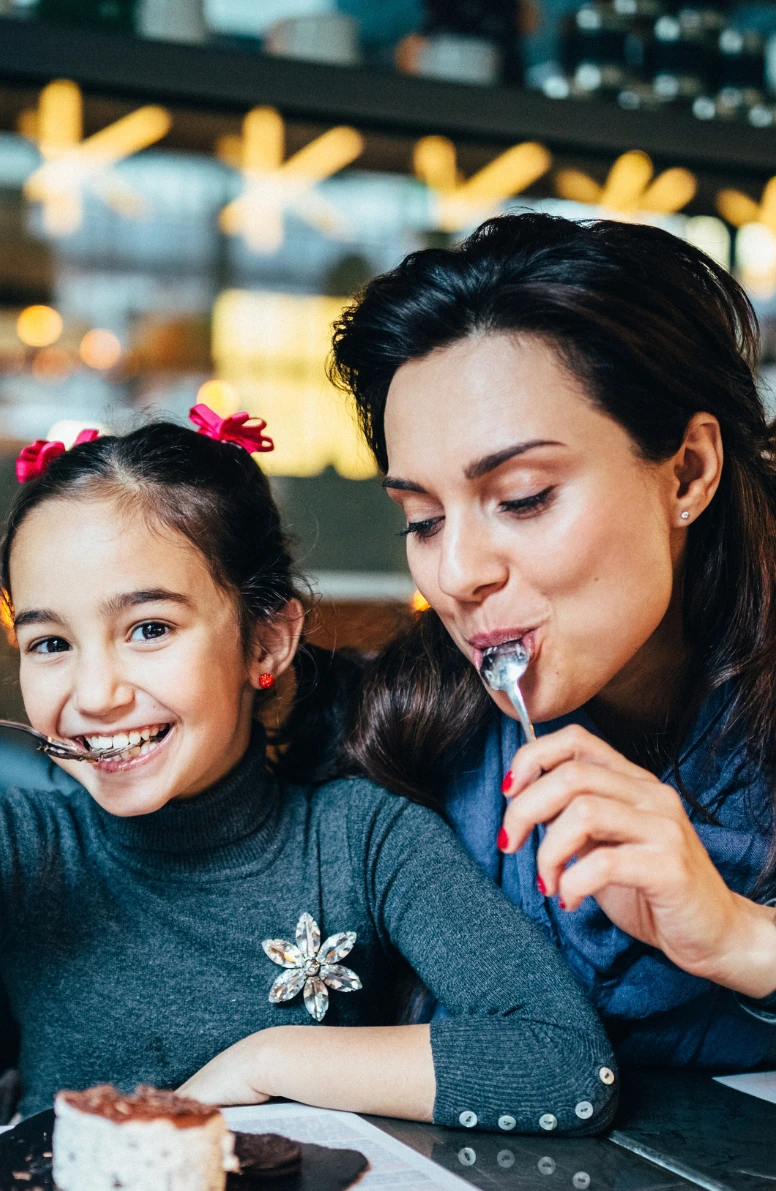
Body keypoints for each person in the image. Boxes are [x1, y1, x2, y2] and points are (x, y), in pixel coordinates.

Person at [0, 410, 616, 1136]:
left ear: (268, 638)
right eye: (50, 642)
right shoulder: (25, 846)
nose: (95, 693)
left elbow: (566, 1068)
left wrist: (270, 1061)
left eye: (149, 629)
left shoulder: (361, 841)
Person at [329, 211, 776, 1067]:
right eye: (421, 520)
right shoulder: (404, 733)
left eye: (524, 497)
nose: (457, 573)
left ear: (689, 471)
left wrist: (741, 938)